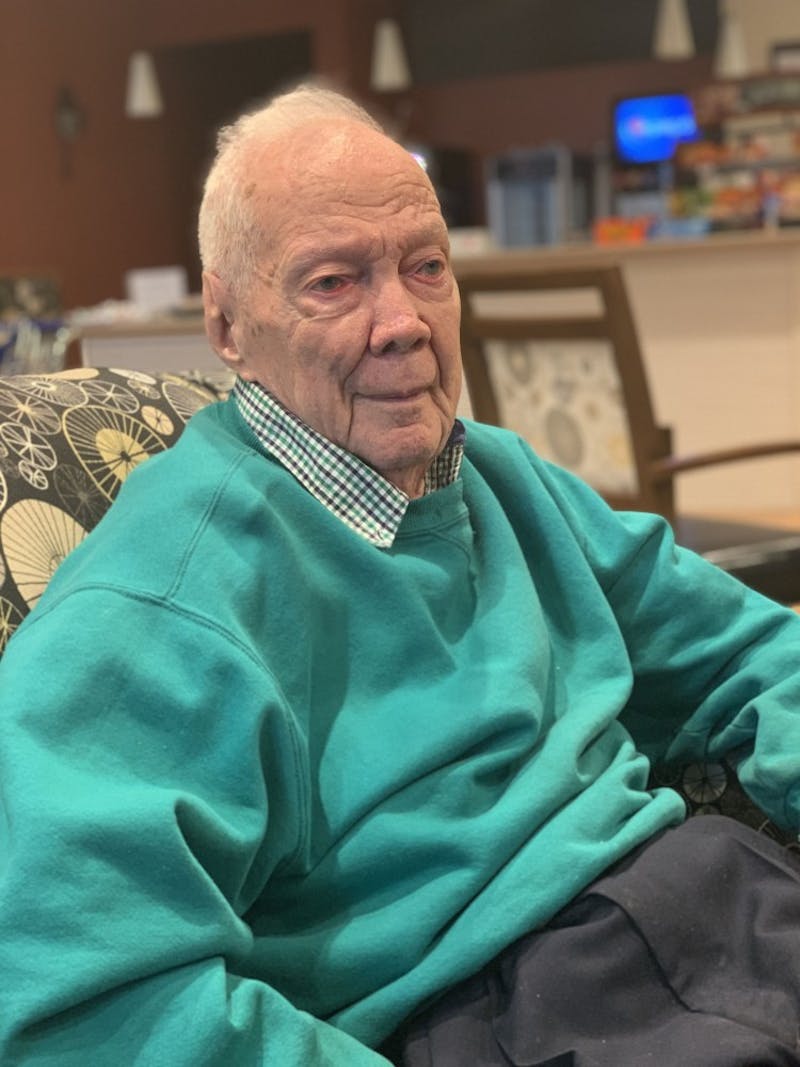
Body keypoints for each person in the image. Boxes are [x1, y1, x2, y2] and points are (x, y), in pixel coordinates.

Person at [0, 83, 798, 1067]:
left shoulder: (496, 475)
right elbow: (82, 1004)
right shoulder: (157, 603)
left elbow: (752, 651)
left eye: (424, 267)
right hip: (503, 1003)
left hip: (721, 895)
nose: (403, 321)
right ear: (225, 322)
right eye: (334, 281)